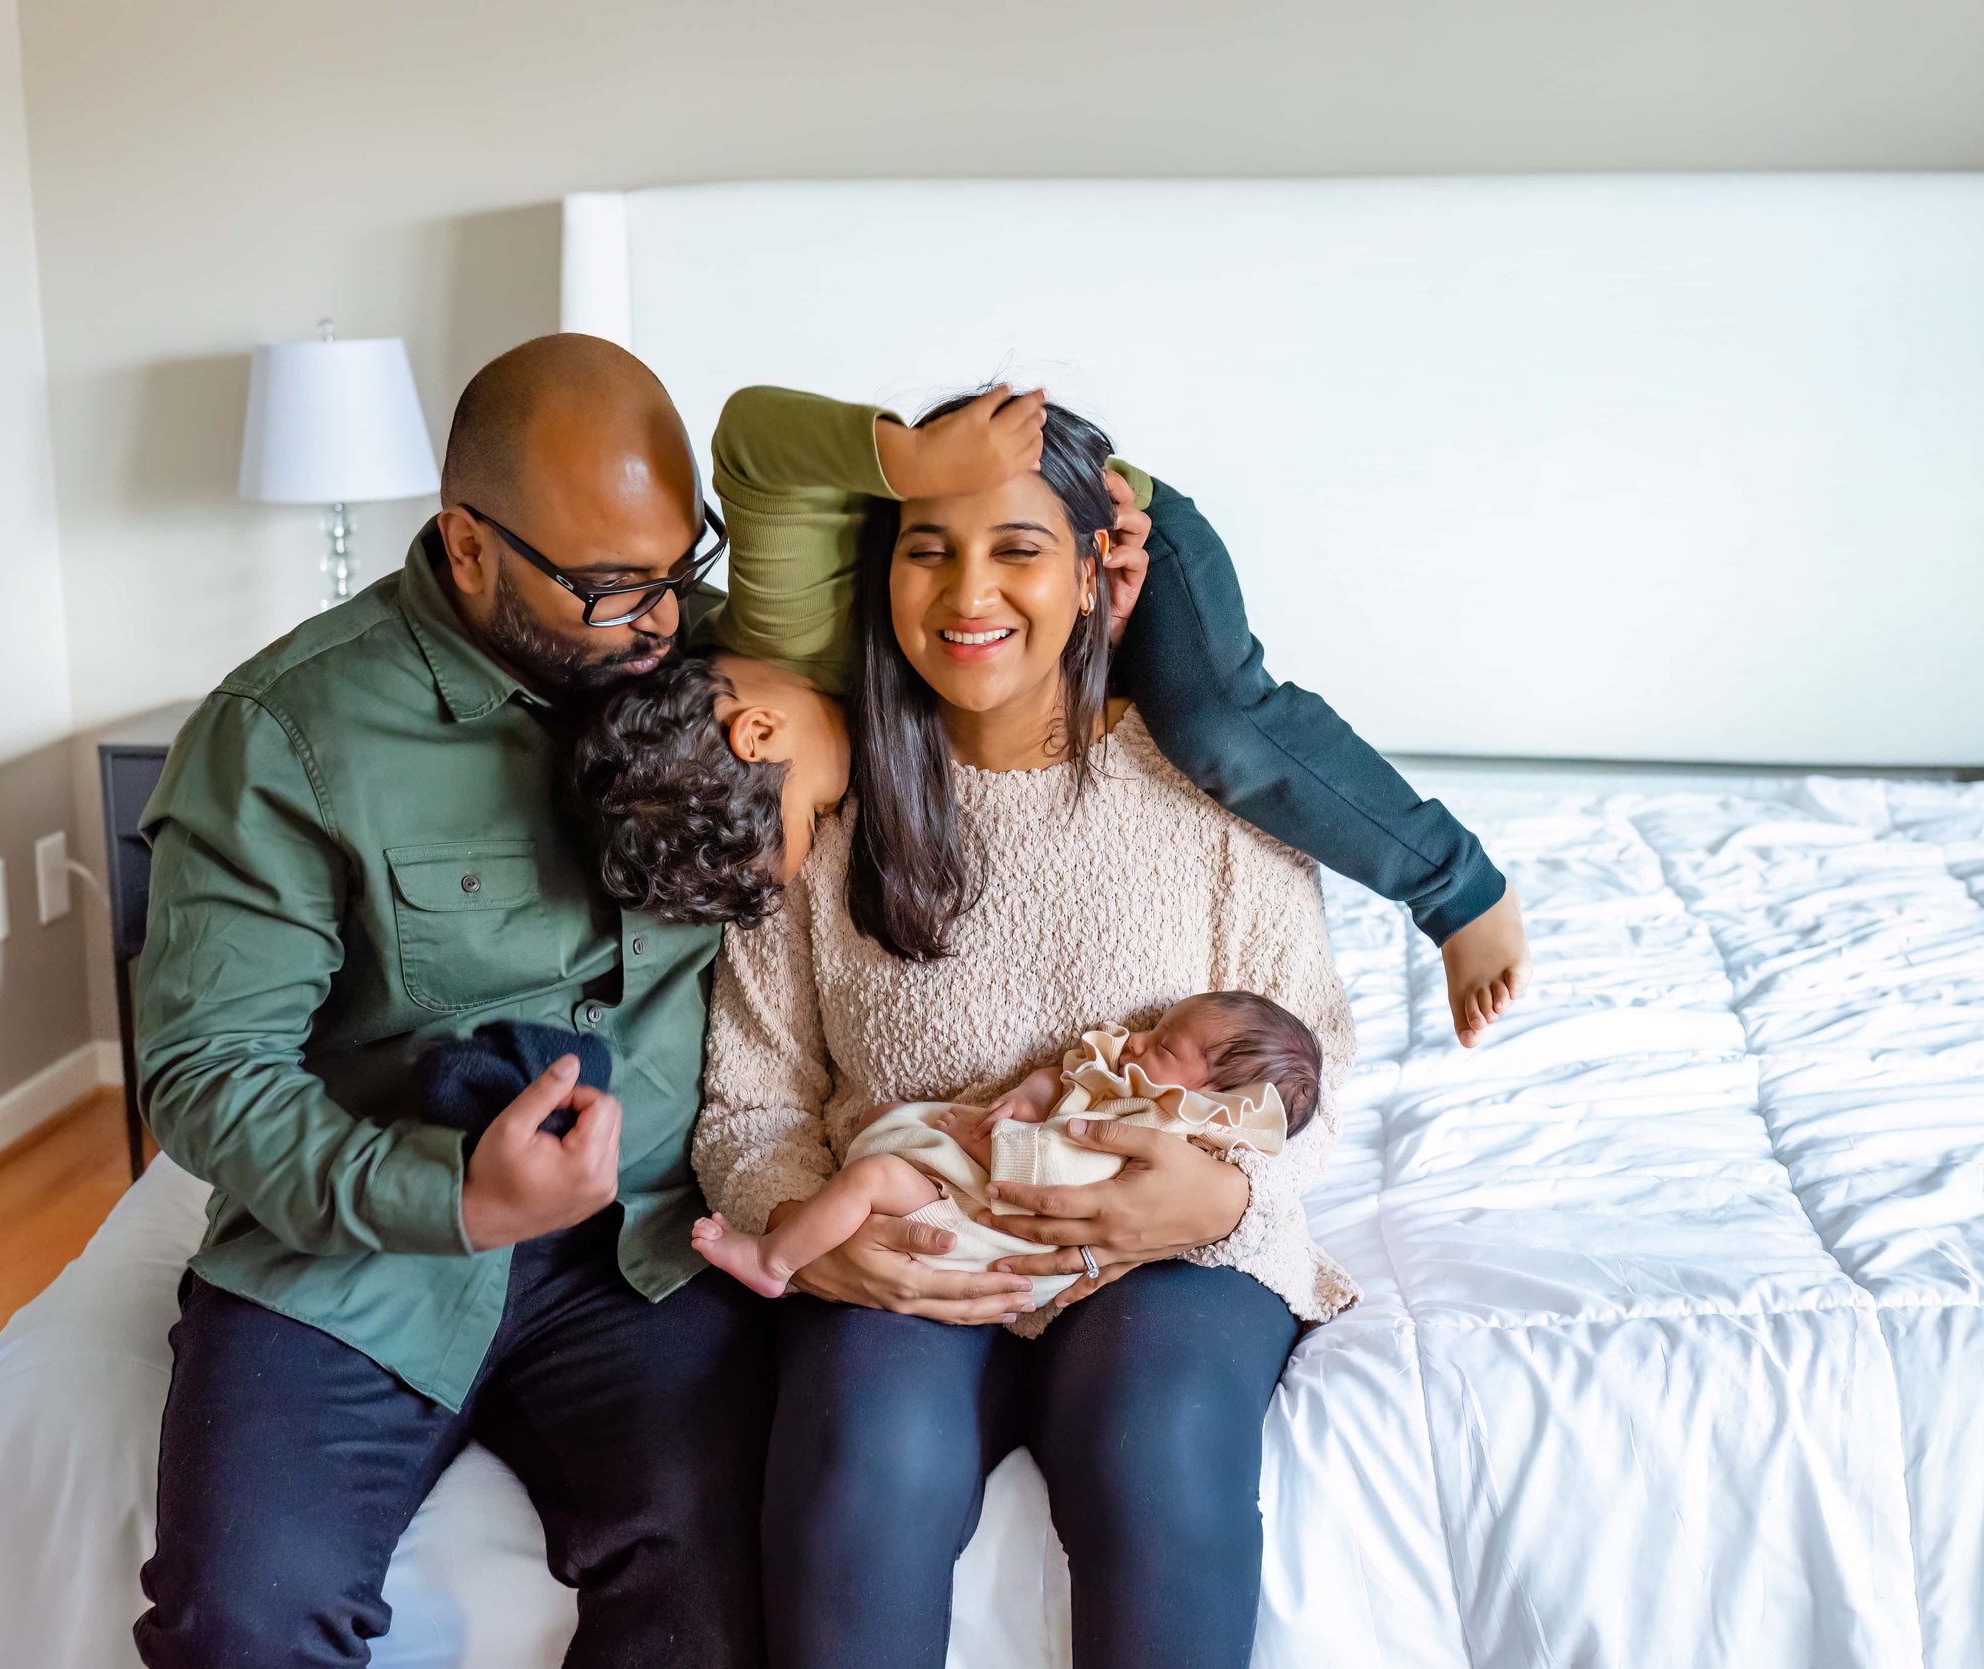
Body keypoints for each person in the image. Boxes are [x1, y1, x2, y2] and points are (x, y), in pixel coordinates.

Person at [127, 334, 773, 1669]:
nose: (658, 619)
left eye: (674, 569)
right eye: (605, 585)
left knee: (731, 1582)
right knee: (239, 1615)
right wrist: (459, 1201)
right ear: (466, 546)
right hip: (360, 1248)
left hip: (641, 1252)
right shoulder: (286, 731)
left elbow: (951, 570)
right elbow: (203, 1069)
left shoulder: (730, 677)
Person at [693, 392, 1358, 1668]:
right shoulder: (829, 800)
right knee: (858, 1466)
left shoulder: (1209, 797)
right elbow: (751, 1105)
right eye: (926, 547)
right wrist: (817, 1238)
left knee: (1156, 1447)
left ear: (1097, 571)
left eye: (1016, 549)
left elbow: (1306, 1072)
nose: (966, 591)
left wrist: (1220, 1202)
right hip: (913, 1235)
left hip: (1165, 1259)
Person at [579, 382, 1532, 1045]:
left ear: (758, 733)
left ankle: (1459, 891)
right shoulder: (824, 728)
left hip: (1089, 512)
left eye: (813, 815)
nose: (837, 819)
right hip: (1000, 617)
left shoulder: (786, 628)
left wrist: (911, 458)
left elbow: (747, 435)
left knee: (1215, 727)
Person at [692, 991, 1322, 1311]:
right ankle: (818, 1226)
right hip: (981, 1183)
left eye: (1162, 1045)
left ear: (1218, 1104)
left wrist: (999, 1145)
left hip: (994, 1230)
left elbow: (1060, 1180)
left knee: (873, 1178)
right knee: (883, 1122)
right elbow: (1072, 1079)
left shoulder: (1163, 1138)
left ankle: (773, 1263)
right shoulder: (1133, 1084)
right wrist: (1029, 1093)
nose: (1134, 1042)